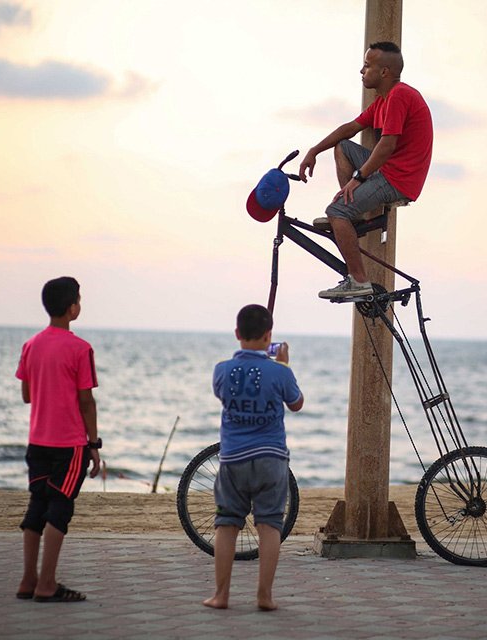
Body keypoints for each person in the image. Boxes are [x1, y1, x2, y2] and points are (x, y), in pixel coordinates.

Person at [298, 41, 433, 300]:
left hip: (399, 179)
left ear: (384, 72)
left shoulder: (400, 95)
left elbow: (387, 145)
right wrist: (314, 150)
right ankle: (352, 214)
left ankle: (358, 280)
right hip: (390, 170)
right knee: (342, 146)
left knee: (336, 211)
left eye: (367, 65)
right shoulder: (382, 102)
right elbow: (348, 129)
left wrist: (357, 179)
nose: (362, 71)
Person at [203, 304, 304, 611]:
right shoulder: (279, 371)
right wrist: (284, 366)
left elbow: (224, 395)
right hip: (271, 459)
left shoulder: (221, 370)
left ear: (237, 334)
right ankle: (264, 596)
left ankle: (221, 595)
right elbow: (296, 403)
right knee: (270, 525)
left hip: (232, 458)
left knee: (227, 524)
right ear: (268, 335)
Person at [15, 276, 101, 603]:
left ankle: (28, 580)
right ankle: (47, 584)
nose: (80, 304)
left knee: (37, 504)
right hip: (70, 445)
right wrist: (93, 445)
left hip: (37, 441)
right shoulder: (80, 349)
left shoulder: (31, 345)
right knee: (59, 510)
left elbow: (27, 395)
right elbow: (86, 401)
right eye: (79, 299)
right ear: (71, 308)